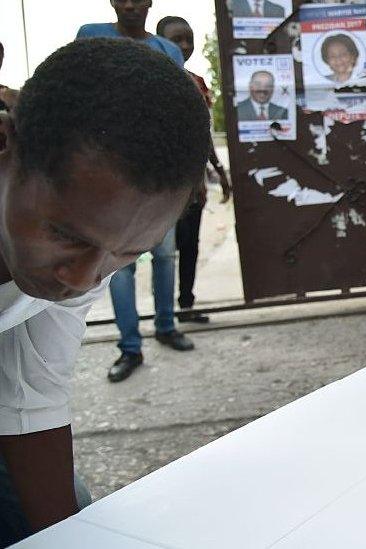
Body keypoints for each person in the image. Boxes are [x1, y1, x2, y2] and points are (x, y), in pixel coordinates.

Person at [0, 38, 210, 544]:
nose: (82, 280)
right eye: (66, 235)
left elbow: (31, 399)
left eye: (126, 254)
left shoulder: (92, 251)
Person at [77, 0, 198, 382]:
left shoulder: (167, 51)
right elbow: (76, 96)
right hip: (110, 179)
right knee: (119, 266)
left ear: (149, 3)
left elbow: (180, 111)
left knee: (164, 256)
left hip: (158, 176)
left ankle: (166, 327)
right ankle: (130, 348)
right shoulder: (92, 37)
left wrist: (188, 175)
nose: (130, 4)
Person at [157, 15, 233, 324]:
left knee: (189, 246)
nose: (184, 46)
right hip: (159, 185)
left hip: (193, 183)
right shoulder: (152, 83)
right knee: (162, 253)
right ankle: (160, 318)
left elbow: (203, 134)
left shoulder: (196, 83)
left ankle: (184, 305)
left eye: (189, 39)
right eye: (177, 40)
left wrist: (218, 170)